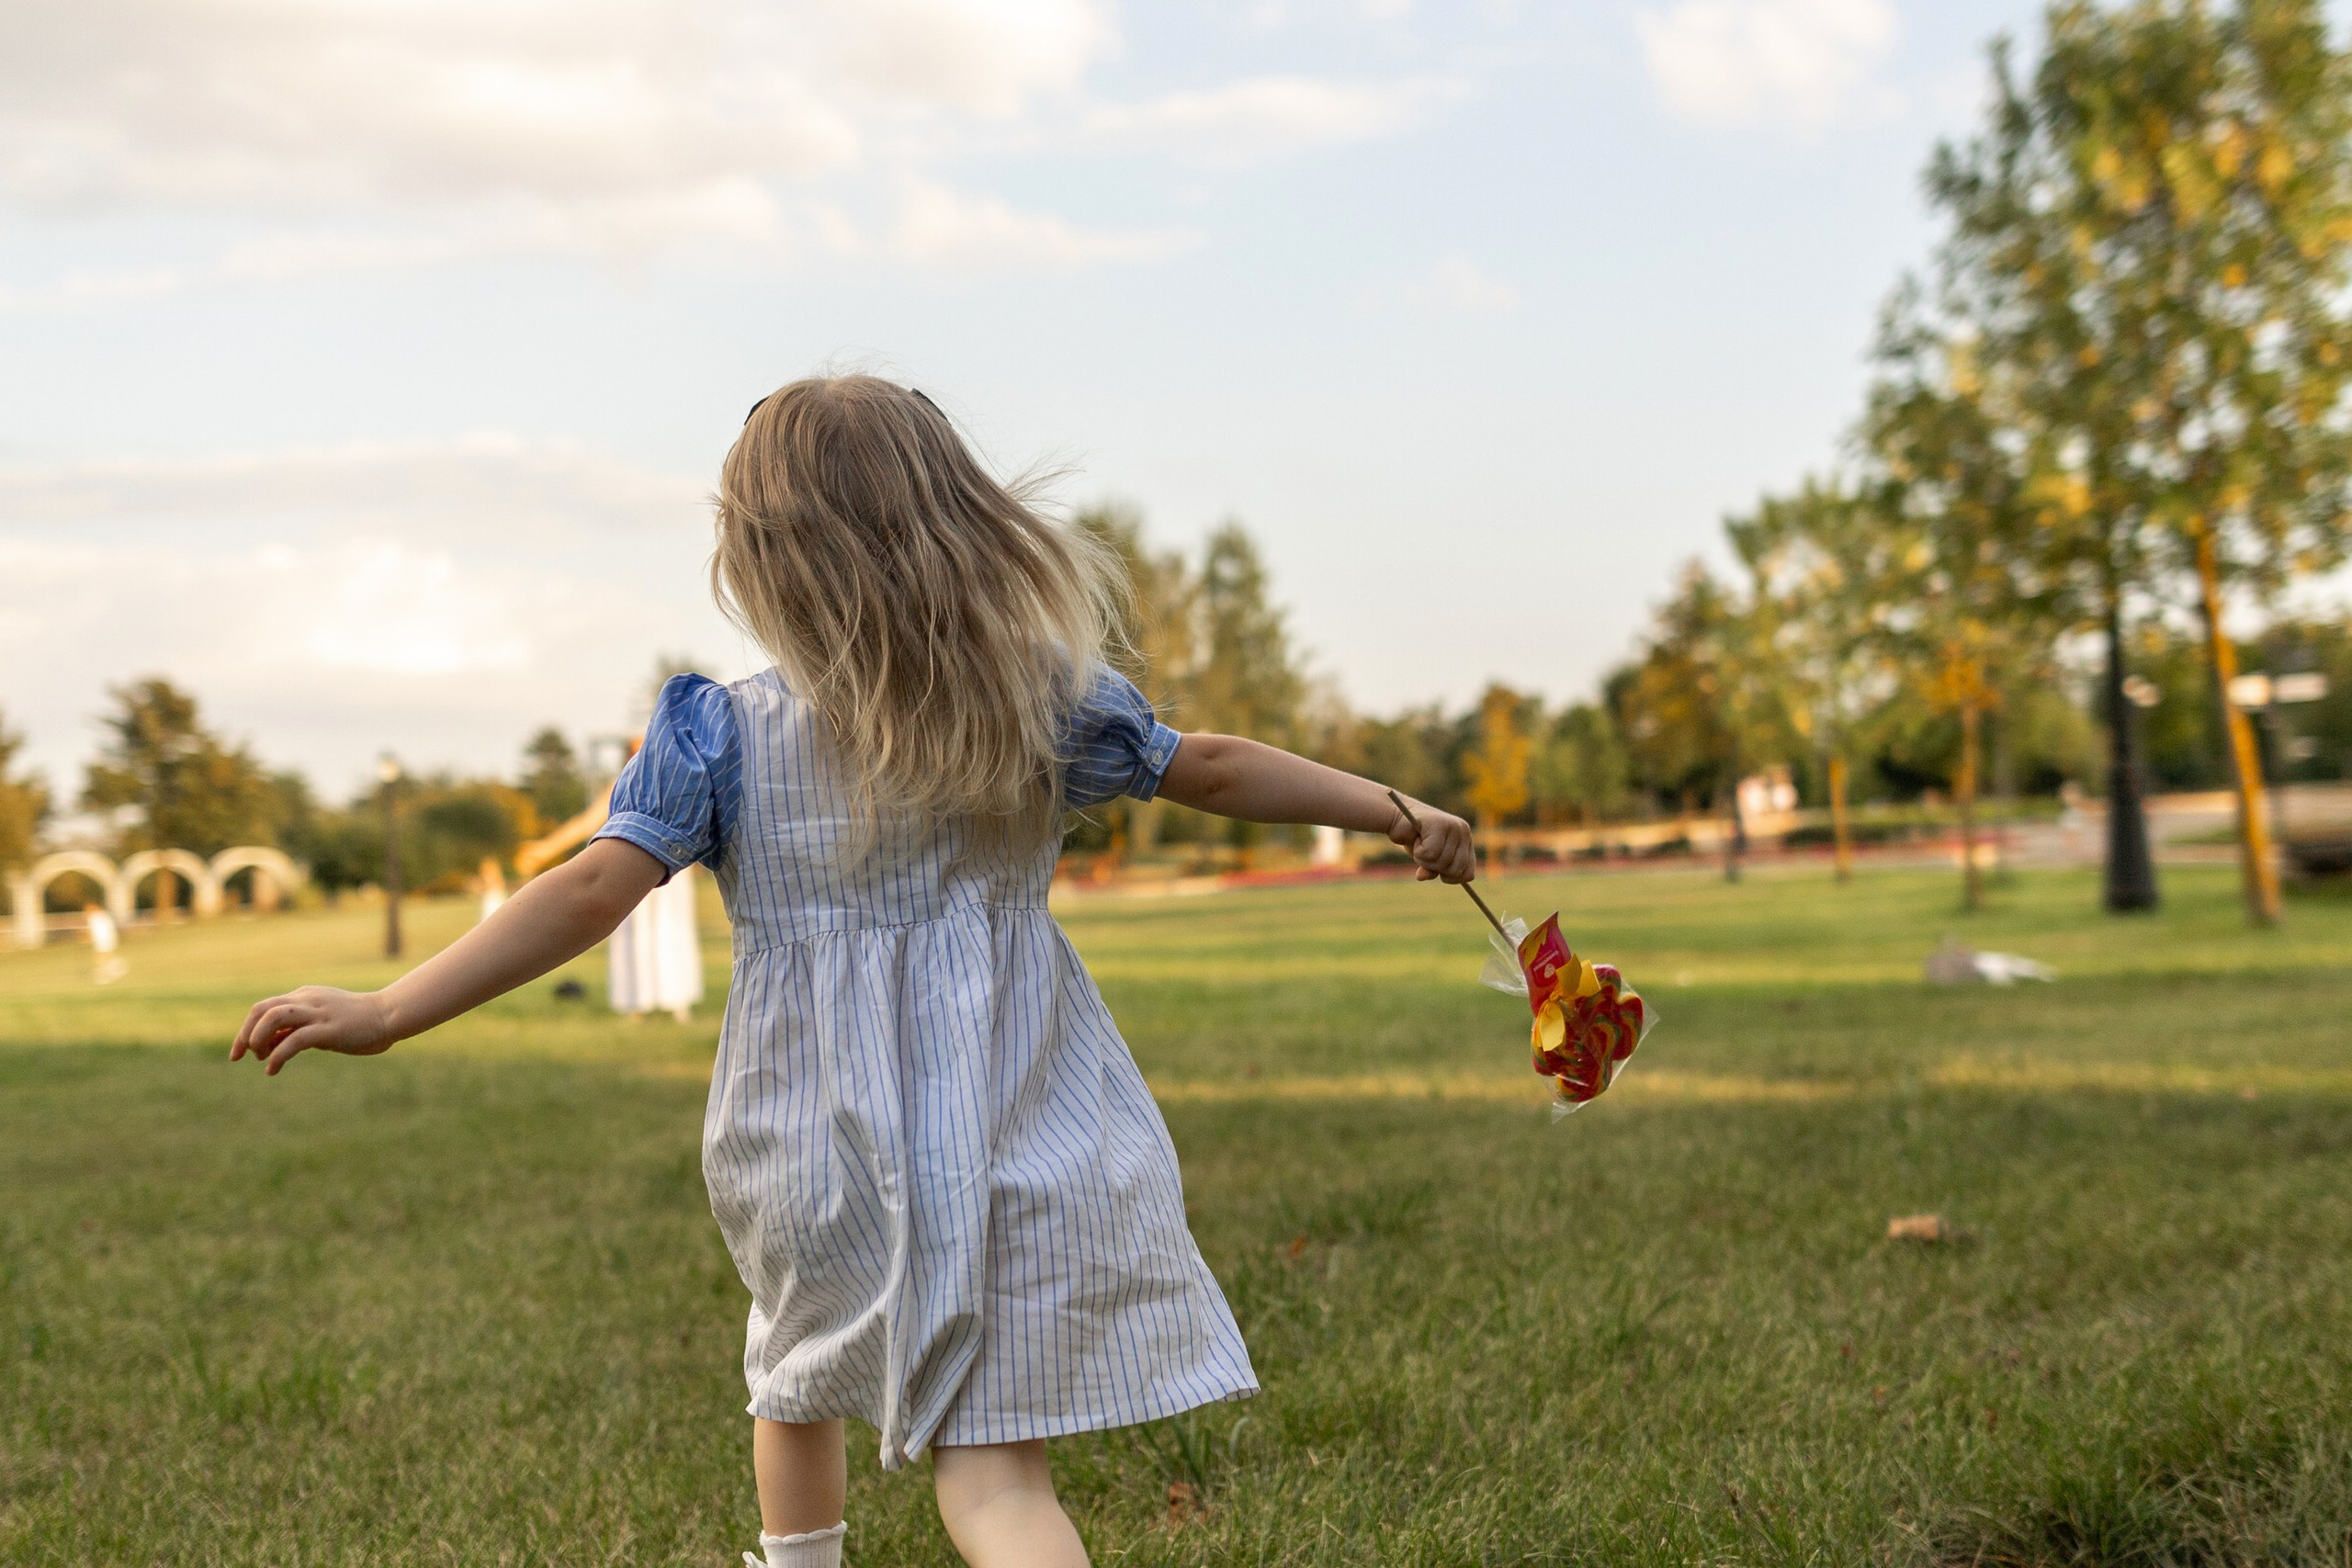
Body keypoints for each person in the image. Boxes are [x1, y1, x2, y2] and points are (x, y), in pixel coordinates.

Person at [230, 376, 1476, 1568]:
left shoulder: (718, 731)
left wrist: (391, 1007)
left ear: (761, 555)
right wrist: (1394, 808)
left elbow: (592, 888)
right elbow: (1207, 765)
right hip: (1010, 1119)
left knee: (794, 1373)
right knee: (998, 1483)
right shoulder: (1035, 699)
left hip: (811, 1136)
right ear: (958, 521)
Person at [85, 901, 126, 985]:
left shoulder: (95, 917)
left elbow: (95, 930)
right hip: (105, 939)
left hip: (102, 939)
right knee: (105, 956)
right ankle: (113, 969)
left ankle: (105, 974)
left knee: (100, 957)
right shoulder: (103, 916)